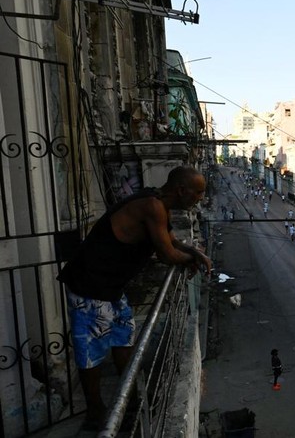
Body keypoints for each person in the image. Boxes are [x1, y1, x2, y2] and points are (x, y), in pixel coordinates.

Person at [57, 166, 212, 430]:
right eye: (198, 192)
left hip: (112, 286)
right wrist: (191, 260)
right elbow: (167, 255)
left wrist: (195, 253)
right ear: (181, 190)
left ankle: (130, 395)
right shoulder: (151, 206)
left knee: (124, 338)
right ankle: (95, 410)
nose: (200, 198)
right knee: (91, 350)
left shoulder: (158, 204)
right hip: (90, 285)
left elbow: (172, 241)